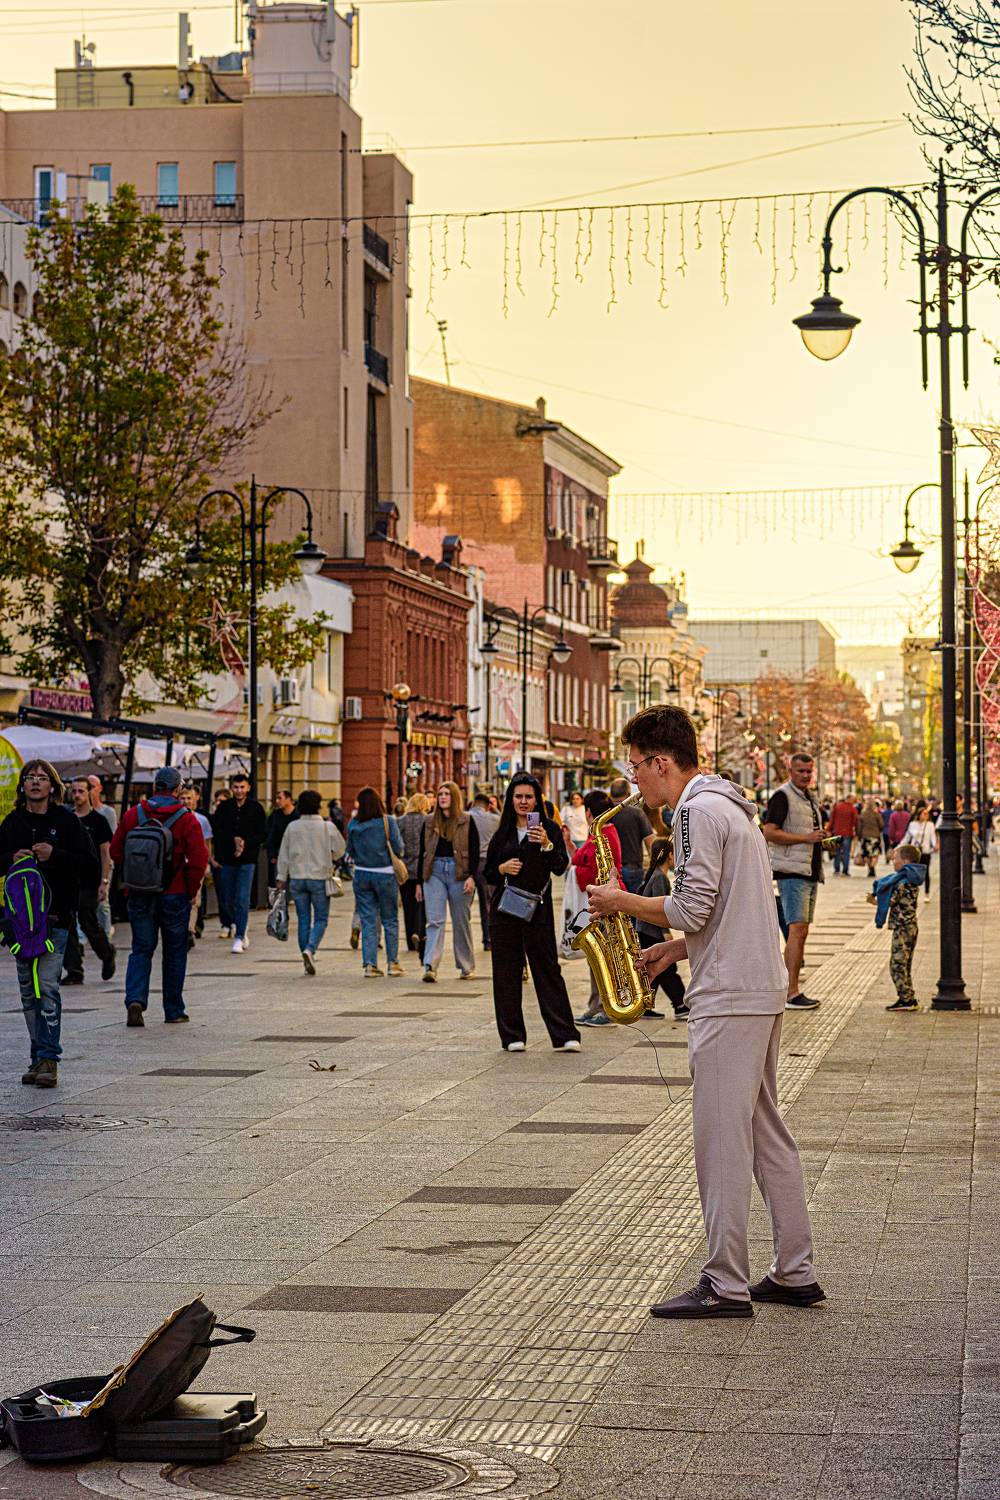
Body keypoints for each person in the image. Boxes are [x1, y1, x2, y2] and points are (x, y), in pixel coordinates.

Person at [587, 706, 822, 1318]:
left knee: (720, 1139)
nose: (635, 780)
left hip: (729, 994)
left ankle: (724, 1281)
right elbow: (722, 907)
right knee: (766, 1130)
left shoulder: (693, 810)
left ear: (662, 761)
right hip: (758, 985)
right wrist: (676, 948)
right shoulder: (731, 806)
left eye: (637, 766)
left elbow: (692, 905)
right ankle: (794, 1270)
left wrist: (621, 901)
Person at [0, 759, 98, 1088]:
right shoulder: (12, 823)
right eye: (30, 778)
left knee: (48, 987)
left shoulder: (67, 822)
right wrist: (8, 859)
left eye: (42, 778)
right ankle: (37, 1057)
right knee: (29, 992)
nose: (36, 783)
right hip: (20, 926)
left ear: (53, 787)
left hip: (55, 920)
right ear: (23, 786)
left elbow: (89, 866)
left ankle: (49, 1058)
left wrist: (54, 855)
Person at [482, 773, 581, 1053]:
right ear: (510, 800)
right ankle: (512, 1035)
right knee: (506, 972)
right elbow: (488, 872)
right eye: (518, 797)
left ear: (537, 799)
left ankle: (564, 1034)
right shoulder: (502, 832)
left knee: (547, 968)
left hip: (537, 908)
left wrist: (548, 844)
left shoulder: (547, 827)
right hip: (505, 910)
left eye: (528, 797)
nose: (523, 802)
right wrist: (502, 868)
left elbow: (560, 866)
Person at [110, 765, 208, 1027]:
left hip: (140, 893)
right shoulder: (186, 818)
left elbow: (116, 851)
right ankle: (173, 1009)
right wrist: (191, 889)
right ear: (178, 789)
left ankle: (135, 1000)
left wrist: (135, 876)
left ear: (155, 787)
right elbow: (199, 859)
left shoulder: (134, 814)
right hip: (174, 894)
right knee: (175, 951)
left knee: (141, 948)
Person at [761, 753, 826, 1012]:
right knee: (796, 930)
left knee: (801, 931)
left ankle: (793, 988)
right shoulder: (782, 796)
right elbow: (770, 832)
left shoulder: (809, 797)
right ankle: (791, 991)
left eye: (809, 771)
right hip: (791, 873)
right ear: (790, 770)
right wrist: (806, 838)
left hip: (809, 871)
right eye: (801, 771)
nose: (806, 775)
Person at [275, 788, 347, 974]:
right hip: (319, 878)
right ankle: (310, 949)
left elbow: (284, 854)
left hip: (297, 878)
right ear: (318, 805)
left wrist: (281, 877)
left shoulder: (292, 827)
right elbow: (340, 850)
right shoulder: (327, 827)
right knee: (321, 918)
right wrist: (329, 855)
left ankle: (305, 957)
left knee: (303, 919)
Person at [416, 782, 479, 982]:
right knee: (434, 920)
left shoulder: (467, 821)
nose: (442, 797)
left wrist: (472, 877)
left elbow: (475, 850)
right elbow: (422, 852)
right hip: (433, 871)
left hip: (459, 872)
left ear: (454, 797)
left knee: (461, 921)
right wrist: (419, 881)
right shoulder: (428, 821)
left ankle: (466, 966)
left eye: (446, 794)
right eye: (440, 794)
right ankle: (430, 966)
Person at [572, 790, 624, 1027]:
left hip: (605, 904)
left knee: (605, 960)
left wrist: (577, 867)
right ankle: (596, 1004)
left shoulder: (603, 834)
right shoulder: (606, 832)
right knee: (597, 960)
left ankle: (606, 1007)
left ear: (589, 812)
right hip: (601, 902)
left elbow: (588, 873)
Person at [62, 776, 117, 984]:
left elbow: (106, 853)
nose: (77, 795)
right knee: (66, 923)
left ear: (90, 793)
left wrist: (104, 881)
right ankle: (74, 970)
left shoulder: (98, 821)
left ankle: (106, 952)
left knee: (87, 921)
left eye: (81, 791)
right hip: (69, 880)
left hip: (89, 880)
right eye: (74, 791)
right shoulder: (67, 820)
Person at [346, 786, 404, 977]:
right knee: (390, 920)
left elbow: (350, 851)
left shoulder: (353, 824)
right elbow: (399, 848)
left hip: (362, 874)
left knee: (368, 921)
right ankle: (393, 963)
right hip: (385, 874)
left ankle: (370, 965)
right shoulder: (387, 822)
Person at [211, 772, 266, 953]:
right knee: (227, 898)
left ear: (248, 787)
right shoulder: (225, 808)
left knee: (242, 898)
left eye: (242, 787)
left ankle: (239, 935)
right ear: (232, 788)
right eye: (236, 787)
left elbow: (262, 834)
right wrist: (232, 840)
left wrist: (245, 843)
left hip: (248, 860)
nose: (239, 790)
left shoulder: (256, 808)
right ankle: (239, 924)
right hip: (227, 859)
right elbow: (217, 832)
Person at [635, 838, 688, 1020]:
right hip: (652, 932)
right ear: (670, 855)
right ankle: (680, 1005)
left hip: (646, 930)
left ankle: (644, 1006)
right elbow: (660, 909)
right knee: (667, 969)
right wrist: (666, 933)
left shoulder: (654, 875)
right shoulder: (659, 877)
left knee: (655, 971)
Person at [869, 842, 926, 1012]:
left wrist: (873, 900)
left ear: (905, 862)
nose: (893, 862)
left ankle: (907, 999)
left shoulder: (903, 882)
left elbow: (890, 901)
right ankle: (908, 997)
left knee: (897, 964)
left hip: (903, 927)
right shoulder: (910, 878)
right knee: (905, 963)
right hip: (910, 926)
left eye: (896, 859)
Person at [397, 792, 431, 960]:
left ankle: (411, 939)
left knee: (407, 905)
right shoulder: (427, 820)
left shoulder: (400, 821)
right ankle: (419, 932)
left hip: (404, 868)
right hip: (422, 869)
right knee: (421, 904)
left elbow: (397, 844)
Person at [607, 776, 653, 892]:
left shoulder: (605, 814)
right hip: (634, 868)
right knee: (633, 907)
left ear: (611, 794)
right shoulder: (637, 813)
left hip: (610, 869)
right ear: (628, 793)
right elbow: (650, 843)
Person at [180, 785, 214, 944]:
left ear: (194, 801)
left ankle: (189, 930)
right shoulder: (175, 818)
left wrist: (208, 864)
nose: (186, 801)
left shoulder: (202, 820)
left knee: (195, 898)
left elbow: (207, 844)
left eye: (189, 798)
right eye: (183, 798)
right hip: (179, 863)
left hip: (196, 863)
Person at [469, 792, 500, 950]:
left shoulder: (466, 817)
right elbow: (504, 822)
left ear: (474, 803)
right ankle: (488, 940)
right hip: (486, 864)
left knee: (463, 905)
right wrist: (495, 810)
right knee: (487, 904)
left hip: (467, 864)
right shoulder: (494, 818)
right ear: (488, 805)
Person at [905, 805, 939, 900]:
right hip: (914, 852)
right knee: (913, 873)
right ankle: (912, 892)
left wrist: (935, 845)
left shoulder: (930, 825)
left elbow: (932, 838)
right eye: (924, 813)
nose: (926, 815)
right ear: (919, 815)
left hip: (925, 851)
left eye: (927, 814)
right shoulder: (912, 824)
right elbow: (907, 838)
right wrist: (898, 847)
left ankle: (927, 893)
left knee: (926, 873)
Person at [265, 788, 297, 890]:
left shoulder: (298, 815)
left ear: (288, 799)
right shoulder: (276, 815)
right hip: (280, 853)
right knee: (279, 882)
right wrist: (272, 854)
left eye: (280, 798)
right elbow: (271, 834)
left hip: (295, 853)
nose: (277, 801)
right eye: (276, 798)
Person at [827, 793, 858, 877]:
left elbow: (831, 820)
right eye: (853, 799)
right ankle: (845, 871)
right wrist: (856, 832)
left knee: (837, 851)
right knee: (846, 852)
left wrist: (828, 830)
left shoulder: (837, 807)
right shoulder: (853, 809)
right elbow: (855, 821)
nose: (854, 801)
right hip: (847, 833)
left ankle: (836, 869)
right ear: (849, 799)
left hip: (837, 832)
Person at [857, 798, 883, 878]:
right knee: (875, 854)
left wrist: (859, 836)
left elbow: (859, 827)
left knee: (867, 854)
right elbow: (881, 825)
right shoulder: (877, 815)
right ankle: (872, 867)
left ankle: (870, 868)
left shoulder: (862, 815)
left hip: (865, 836)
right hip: (875, 836)